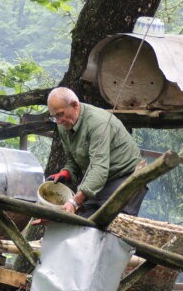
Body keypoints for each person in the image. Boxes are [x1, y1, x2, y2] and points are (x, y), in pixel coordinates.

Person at [46, 86, 146, 218]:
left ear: (75, 106)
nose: (58, 121)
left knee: (110, 227)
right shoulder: (64, 125)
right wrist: (66, 173)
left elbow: (99, 168)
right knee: (82, 221)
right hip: (101, 180)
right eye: (54, 117)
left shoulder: (98, 123)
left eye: (60, 114)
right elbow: (73, 160)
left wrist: (74, 201)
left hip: (125, 177)